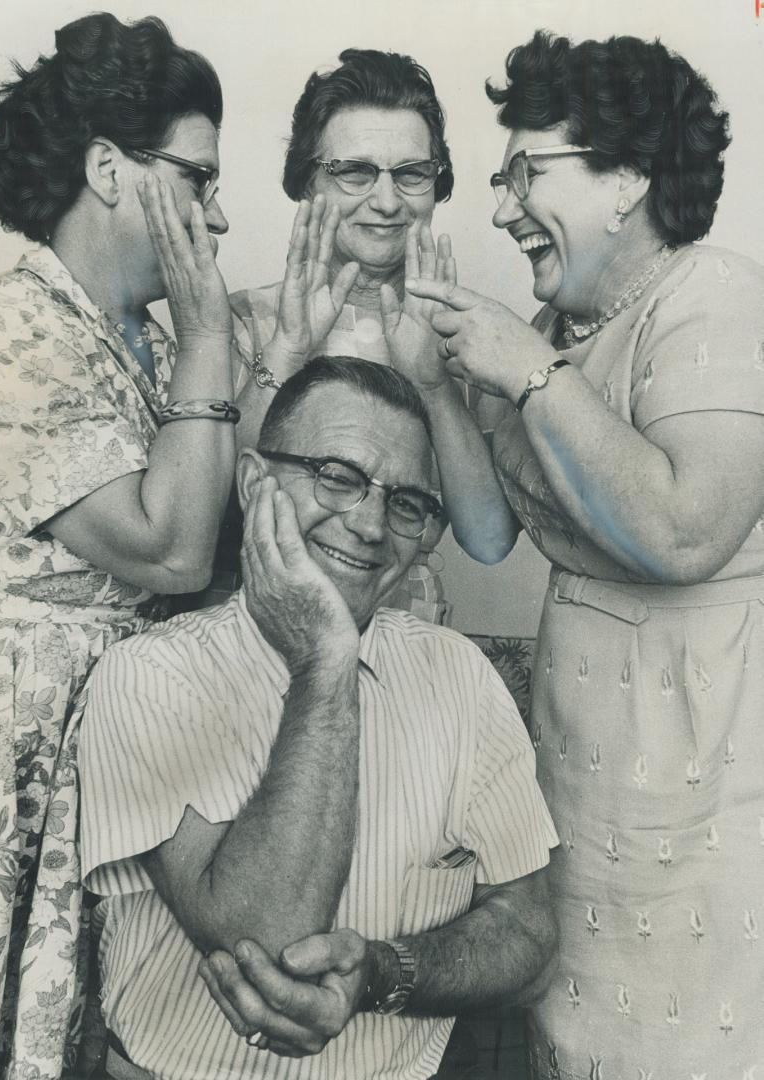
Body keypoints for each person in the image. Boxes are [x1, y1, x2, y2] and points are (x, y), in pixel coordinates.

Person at [396, 29, 764, 1080]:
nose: (503, 205)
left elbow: (685, 531)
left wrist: (528, 375)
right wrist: (438, 385)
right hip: (587, 767)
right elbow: (487, 533)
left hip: (705, 769)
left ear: (628, 178)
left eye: (527, 172)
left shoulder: (715, 296)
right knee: (583, 1045)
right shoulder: (558, 325)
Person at [77, 356, 559, 1080]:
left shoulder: (460, 675)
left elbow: (528, 936)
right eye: (337, 475)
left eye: (406, 504)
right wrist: (326, 661)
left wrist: (384, 973)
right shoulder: (149, 674)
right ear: (253, 483)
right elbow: (271, 944)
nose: (369, 524)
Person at [0, 14, 238, 1078]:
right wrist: (218, 336)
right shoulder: (10, 328)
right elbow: (169, 552)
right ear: (108, 170)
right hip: (18, 749)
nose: (217, 218)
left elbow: (218, 552)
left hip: (125, 745)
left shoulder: (155, 346)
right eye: (199, 179)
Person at [217, 48, 456, 621]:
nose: (387, 201)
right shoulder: (239, 321)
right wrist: (288, 350)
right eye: (355, 171)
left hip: (404, 635)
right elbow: (217, 516)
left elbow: (490, 539)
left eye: (411, 173)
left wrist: (436, 380)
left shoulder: (460, 334)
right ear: (307, 183)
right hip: (255, 633)